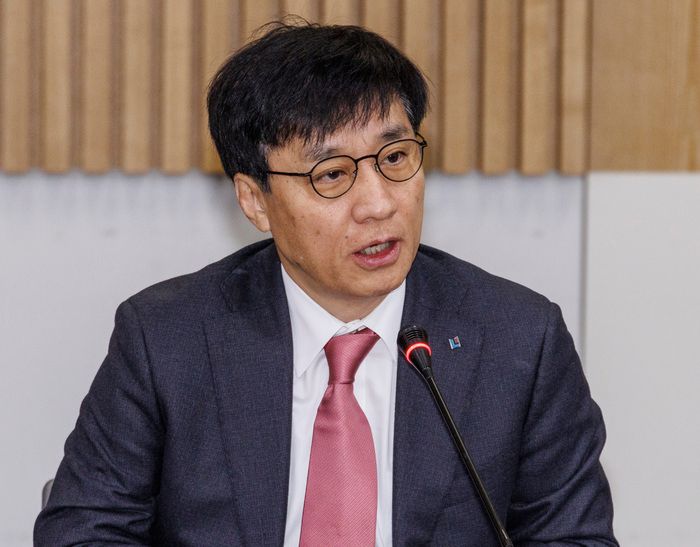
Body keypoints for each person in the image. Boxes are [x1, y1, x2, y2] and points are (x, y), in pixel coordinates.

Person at [35, 21, 616, 546]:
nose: (379, 203)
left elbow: (574, 538)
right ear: (255, 200)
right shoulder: (167, 338)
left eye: (395, 158)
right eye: (332, 174)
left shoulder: (518, 338)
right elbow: (83, 531)